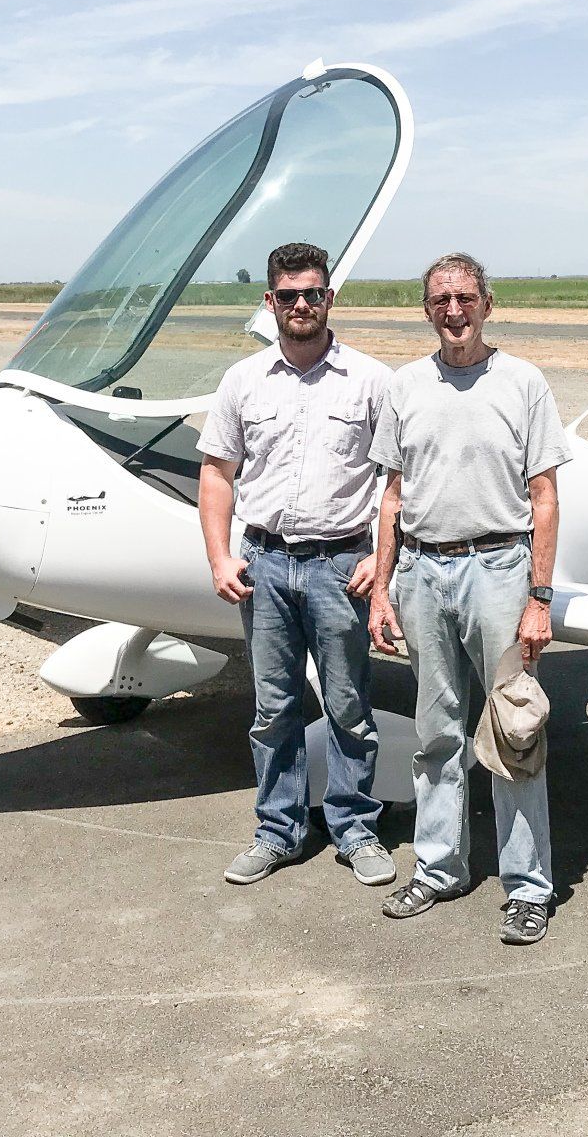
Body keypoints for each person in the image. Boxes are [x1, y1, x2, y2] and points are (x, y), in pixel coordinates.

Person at [367, 251, 569, 945]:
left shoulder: (522, 383)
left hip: (499, 570)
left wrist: (538, 598)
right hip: (423, 573)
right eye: (439, 301)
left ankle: (528, 887)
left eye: (465, 298)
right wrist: (384, 589)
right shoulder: (405, 387)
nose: (453, 312)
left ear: (487, 303)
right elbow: (392, 496)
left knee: (514, 730)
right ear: (427, 310)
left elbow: (544, 499)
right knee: (436, 733)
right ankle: (438, 868)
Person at [198, 241, 397, 887]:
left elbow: (400, 481)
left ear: (330, 298)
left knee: (346, 704)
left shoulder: (370, 381)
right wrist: (220, 556)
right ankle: (278, 832)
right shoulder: (243, 381)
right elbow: (217, 474)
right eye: (289, 295)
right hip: (264, 563)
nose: (302, 304)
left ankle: (355, 827)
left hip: (340, 566)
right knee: (272, 708)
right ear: (270, 302)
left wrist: (380, 560)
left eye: (313, 292)